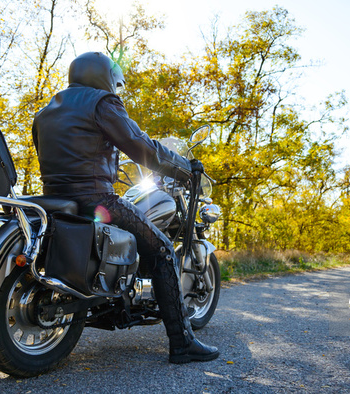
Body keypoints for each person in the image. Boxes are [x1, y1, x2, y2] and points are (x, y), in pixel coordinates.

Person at [32, 52, 219, 364]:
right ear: (103, 74)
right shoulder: (102, 103)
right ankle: (182, 342)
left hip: (54, 200)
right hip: (95, 199)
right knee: (161, 250)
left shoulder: (46, 111)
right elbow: (140, 144)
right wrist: (184, 168)